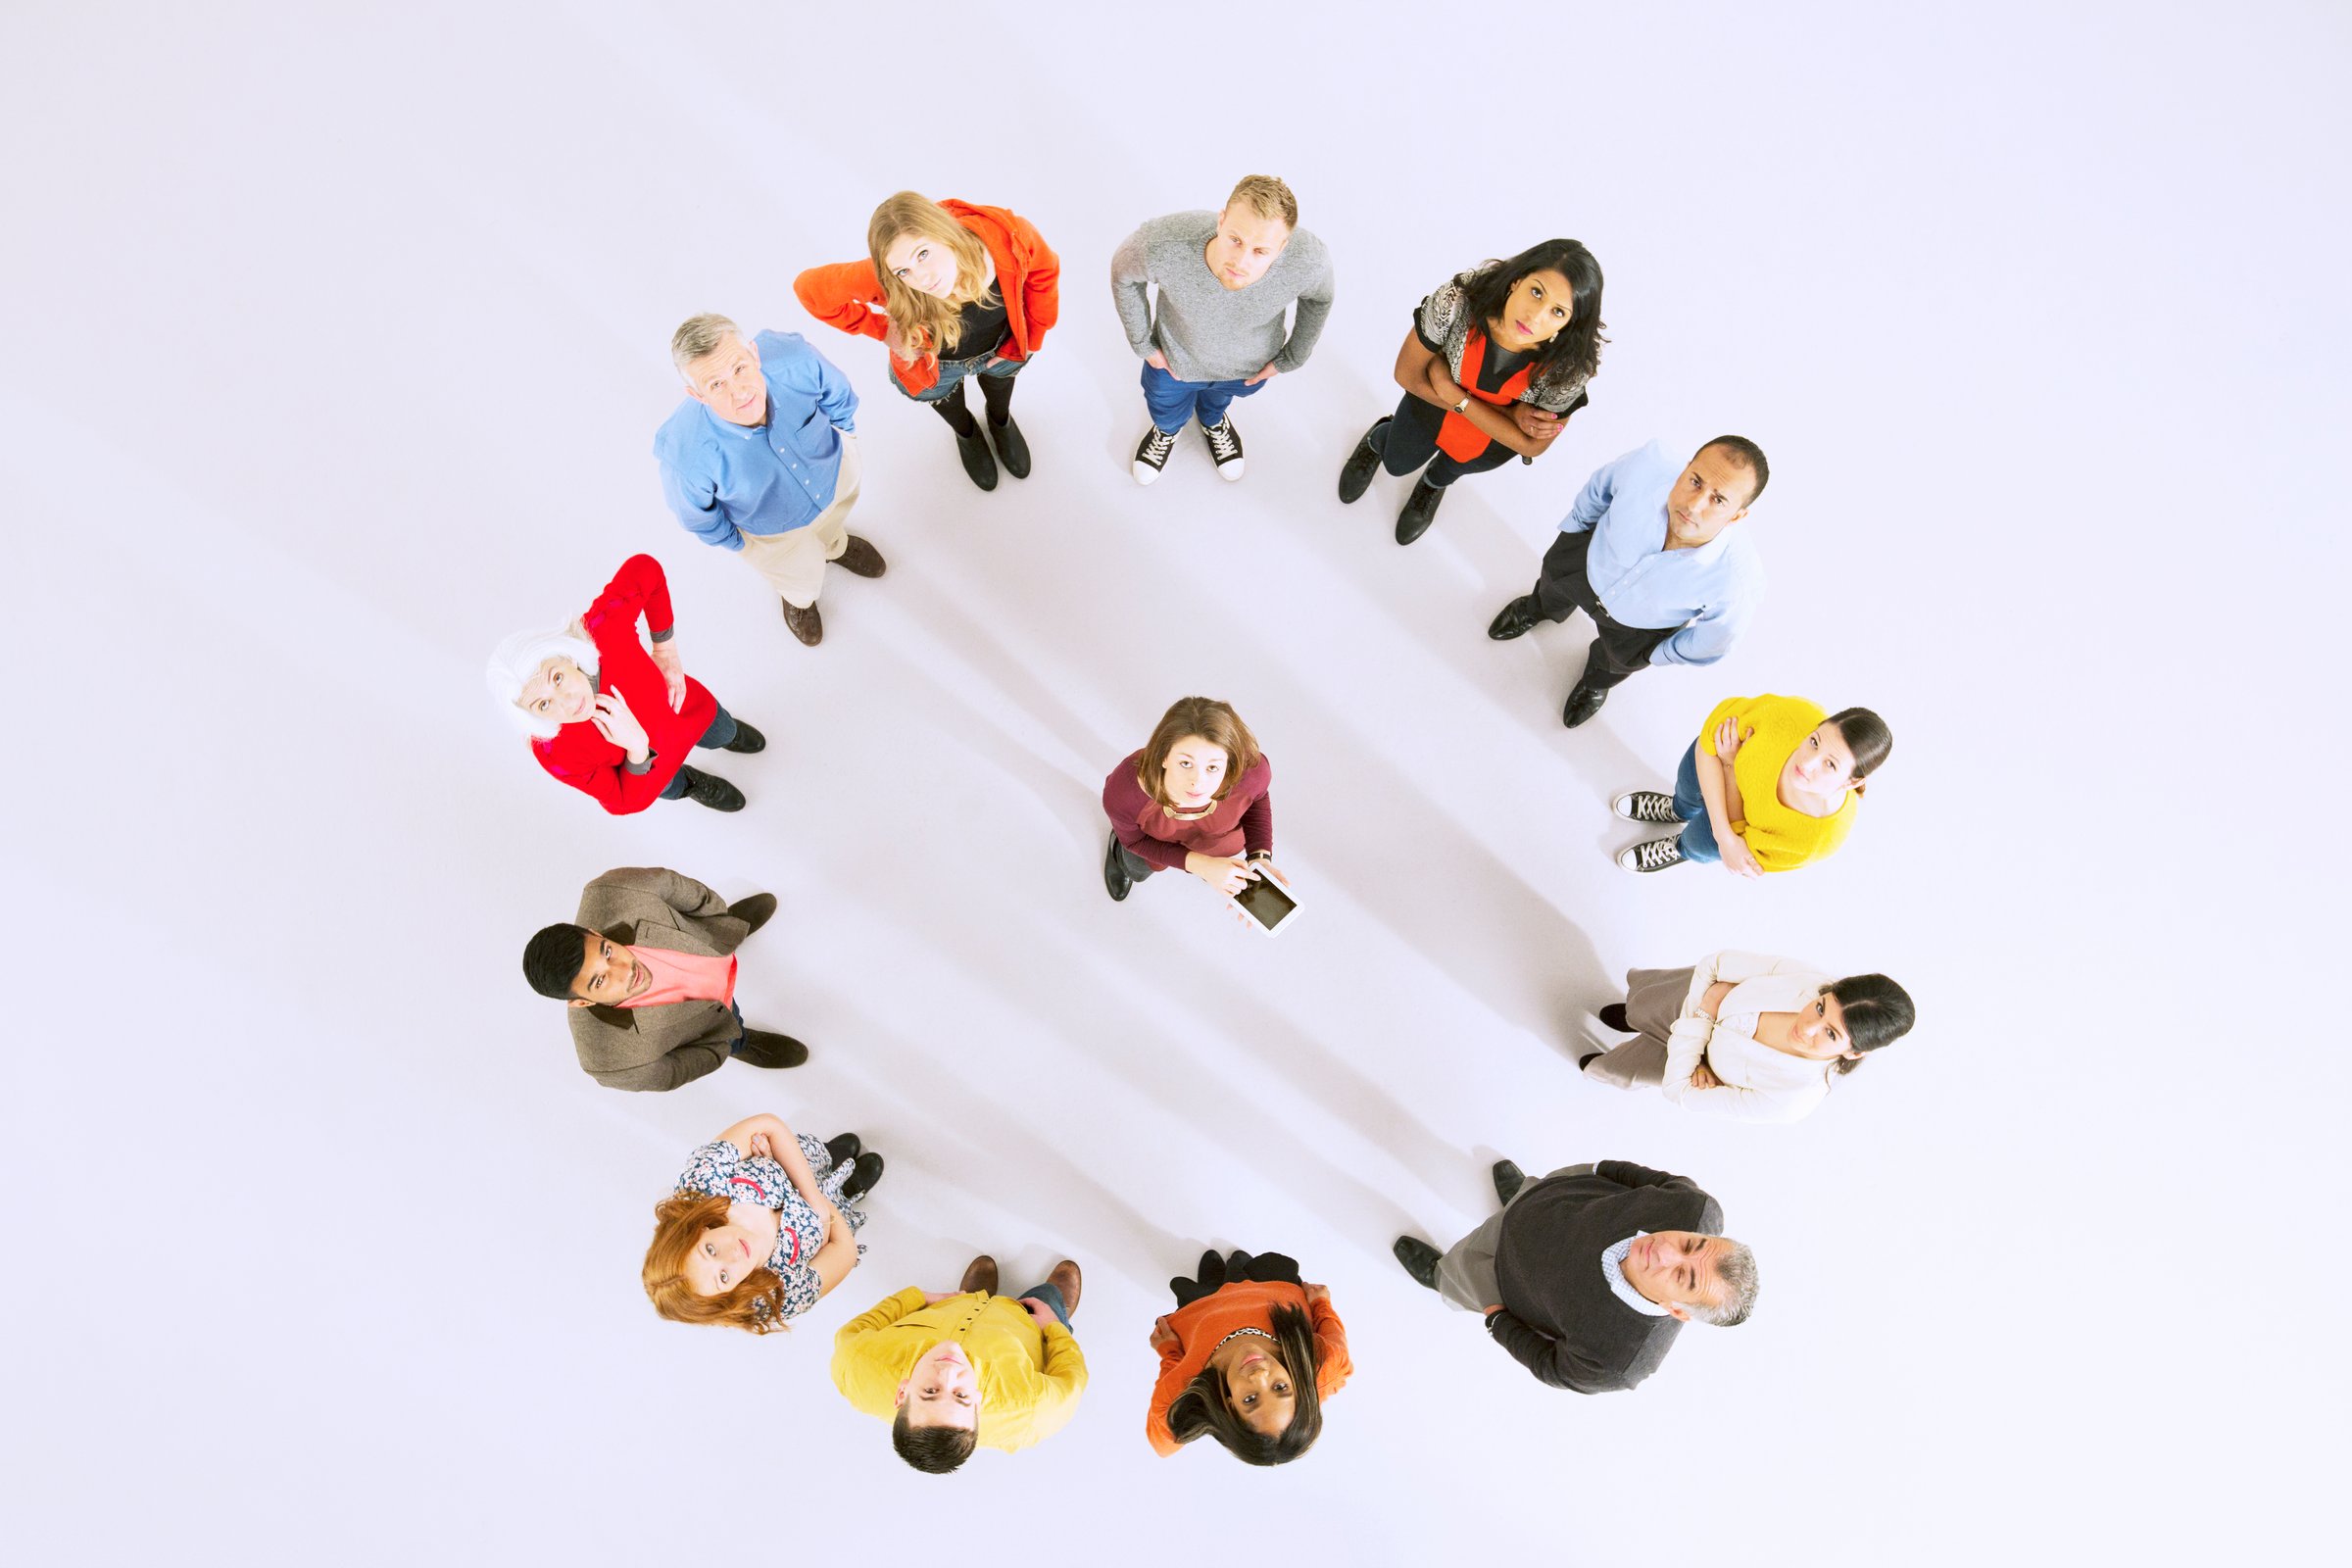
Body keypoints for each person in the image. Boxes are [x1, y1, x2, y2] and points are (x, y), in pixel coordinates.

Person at [1394, 1158, 1757, 1394]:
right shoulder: (1697, 1209)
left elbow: (1551, 1366)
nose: (1663, 1250)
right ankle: (1519, 1198)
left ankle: (1441, 1276)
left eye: (1682, 1276)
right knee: (1526, 1198)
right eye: (1690, 1245)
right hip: (1551, 1199)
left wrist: (1498, 1321)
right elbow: (1639, 1177)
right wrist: (1593, 1172)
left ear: (1678, 1311)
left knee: (1461, 1274)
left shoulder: (1618, 1361)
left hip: (1503, 1276)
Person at [1337, 238, 1605, 544]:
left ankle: (1431, 485)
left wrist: (1457, 396)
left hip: (1486, 444)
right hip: (1428, 409)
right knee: (1396, 463)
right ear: (1516, 282)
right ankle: (1377, 440)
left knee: (1447, 471)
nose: (1535, 316)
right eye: (1536, 292)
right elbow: (1407, 375)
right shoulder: (1458, 301)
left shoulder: (1569, 369)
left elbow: (1532, 447)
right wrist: (1508, 416)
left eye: (1557, 312)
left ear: (1569, 323)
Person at [1488, 437, 1770, 727]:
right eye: (1695, 481)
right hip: (1586, 565)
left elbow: (1715, 640)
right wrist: (1574, 533)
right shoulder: (1648, 465)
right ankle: (1538, 609)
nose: (1695, 505)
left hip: (1639, 629)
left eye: (1718, 499)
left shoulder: (1738, 581)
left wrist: (1656, 654)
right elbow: (1600, 489)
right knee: (1550, 588)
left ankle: (1595, 683)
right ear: (1686, 468)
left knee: (1613, 664)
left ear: (1737, 516)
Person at [794, 192, 1059, 492]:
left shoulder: (1006, 238)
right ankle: (967, 433)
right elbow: (810, 290)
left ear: (945, 232)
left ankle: (1000, 422)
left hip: (1002, 346)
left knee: (1000, 389)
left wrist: (1034, 335)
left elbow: (1044, 273)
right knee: (948, 403)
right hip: (935, 367)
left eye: (923, 253)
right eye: (903, 271)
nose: (922, 279)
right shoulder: (884, 279)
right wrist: (881, 330)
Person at [653, 314, 887, 649]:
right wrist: (745, 547)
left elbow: (839, 397)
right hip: (774, 534)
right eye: (716, 384)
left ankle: (837, 546)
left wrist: (845, 435)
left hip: (834, 477)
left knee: (834, 523)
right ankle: (799, 599)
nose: (739, 392)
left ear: (754, 354)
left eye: (739, 368)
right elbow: (698, 518)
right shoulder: (684, 456)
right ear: (697, 395)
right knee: (798, 577)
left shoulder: (796, 359)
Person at [486, 554, 761, 815]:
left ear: (565, 656)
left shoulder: (600, 631)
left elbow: (645, 569)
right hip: (654, 775)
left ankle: (730, 736)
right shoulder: (554, 752)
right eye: (544, 704)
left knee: (723, 731)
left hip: (690, 711)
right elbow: (622, 802)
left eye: (557, 678)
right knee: (674, 786)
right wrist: (638, 749)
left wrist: (665, 649)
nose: (568, 703)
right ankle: (692, 783)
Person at [1109, 174, 1336, 487]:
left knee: (1217, 402)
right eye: (1235, 239)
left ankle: (1213, 421)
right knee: (1164, 407)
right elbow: (1123, 273)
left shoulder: (1308, 259)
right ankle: (1167, 429)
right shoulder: (1165, 242)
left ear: (1282, 247)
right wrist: (1143, 344)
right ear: (1221, 221)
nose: (1241, 262)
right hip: (1174, 363)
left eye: (1260, 251)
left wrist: (1292, 358)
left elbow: (1320, 298)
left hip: (1246, 370)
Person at [519, 866, 810, 1090]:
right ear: (582, 1003)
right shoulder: (610, 1062)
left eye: (607, 952)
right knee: (731, 1029)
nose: (625, 971)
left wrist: (718, 920)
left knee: (721, 932)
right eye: (600, 981)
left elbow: (678, 888)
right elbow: (674, 1072)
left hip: (703, 941)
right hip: (711, 1018)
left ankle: (730, 930)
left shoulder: (612, 890)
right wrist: (720, 1046)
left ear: (596, 933)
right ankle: (742, 1041)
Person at [1582, 954, 1919, 1122]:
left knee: (1622, 1067)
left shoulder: (1792, 1100)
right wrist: (1702, 1019)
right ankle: (1632, 1016)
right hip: (1688, 1003)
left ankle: (1604, 1058)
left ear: (1854, 1054)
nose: (1808, 1027)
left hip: (1681, 1054)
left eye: (1831, 1033)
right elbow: (1716, 964)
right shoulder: (1813, 980)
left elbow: (1679, 1091)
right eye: (1819, 1008)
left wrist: (1706, 1015)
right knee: (1641, 1005)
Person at [831, 1253, 1087, 1474]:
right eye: (960, 1395)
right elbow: (1071, 1376)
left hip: (956, 1303)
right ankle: (1055, 1305)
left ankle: (976, 1298)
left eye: (930, 1391)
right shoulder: (1034, 1409)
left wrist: (917, 1297)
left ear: (902, 1392)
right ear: (977, 1401)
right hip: (1025, 1320)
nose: (949, 1372)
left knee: (973, 1296)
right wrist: (1054, 1326)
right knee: (1048, 1296)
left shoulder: (857, 1362)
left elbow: (860, 1328)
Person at [642, 1112, 885, 1333]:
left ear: (698, 1231)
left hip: (801, 1161)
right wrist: (829, 1215)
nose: (733, 1255)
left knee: (835, 1152)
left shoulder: (701, 1182)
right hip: (835, 1214)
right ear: (727, 1295)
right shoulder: (777, 1295)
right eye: (724, 1277)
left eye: (710, 1250)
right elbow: (845, 1251)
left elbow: (768, 1125)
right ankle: (849, 1188)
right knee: (847, 1188)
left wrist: (817, 1206)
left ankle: (832, 1153)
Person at [1613, 695, 1892, 874]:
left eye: (1830, 764)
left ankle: (1678, 848)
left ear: (1852, 781)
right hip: (1709, 771)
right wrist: (1728, 836)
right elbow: (1709, 741)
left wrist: (1730, 766)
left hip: (1720, 779)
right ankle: (1678, 809)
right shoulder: (1792, 715)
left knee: (1697, 843)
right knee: (1688, 790)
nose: (1807, 762)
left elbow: (1740, 854)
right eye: (1814, 741)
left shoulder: (1819, 840)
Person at [1147, 1248, 1349, 1465]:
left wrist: (1170, 1353)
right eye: (1280, 1388)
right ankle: (1240, 1264)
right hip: (1270, 1287)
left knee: (1207, 1280)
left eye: (1250, 1399)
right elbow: (1338, 1354)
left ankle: (1214, 1279)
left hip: (1203, 1309)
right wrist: (1321, 1305)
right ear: (1297, 1382)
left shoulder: (1182, 1391)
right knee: (1245, 1263)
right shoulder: (1324, 1362)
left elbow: (1162, 1445)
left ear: (1230, 1405)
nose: (1259, 1375)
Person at [1101, 697, 1291, 920]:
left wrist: (1259, 856)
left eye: (1212, 767)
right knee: (1136, 870)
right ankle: (1118, 847)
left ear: (1229, 764)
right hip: (1153, 838)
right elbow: (1135, 841)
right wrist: (1200, 864)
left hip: (1215, 840)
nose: (1197, 782)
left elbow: (1257, 799)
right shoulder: (1124, 793)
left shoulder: (1251, 772)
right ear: (1163, 756)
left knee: (1218, 869)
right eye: (1185, 763)